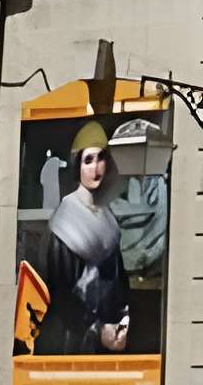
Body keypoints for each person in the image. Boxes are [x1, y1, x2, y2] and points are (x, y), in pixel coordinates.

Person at [37, 125, 134, 353]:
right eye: (88, 160)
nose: (95, 168)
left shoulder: (107, 217)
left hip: (107, 338)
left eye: (101, 158)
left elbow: (119, 284)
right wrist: (95, 329)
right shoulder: (65, 221)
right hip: (73, 339)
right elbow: (59, 293)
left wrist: (121, 323)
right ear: (77, 166)